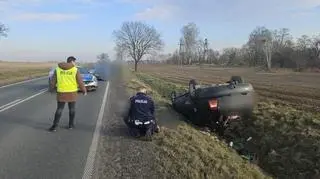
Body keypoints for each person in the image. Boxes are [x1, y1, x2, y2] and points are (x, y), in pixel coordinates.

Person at [48, 56, 87, 132]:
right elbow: (80, 82)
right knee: (72, 109)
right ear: (72, 61)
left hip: (61, 92)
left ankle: (54, 126)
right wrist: (84, 91)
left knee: (59, 109)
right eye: (74, 62)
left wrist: (51, 89)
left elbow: (53, 81)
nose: (75, 63)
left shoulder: (58, 69)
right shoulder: (75, 70)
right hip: (72, 92)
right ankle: (71, 125)